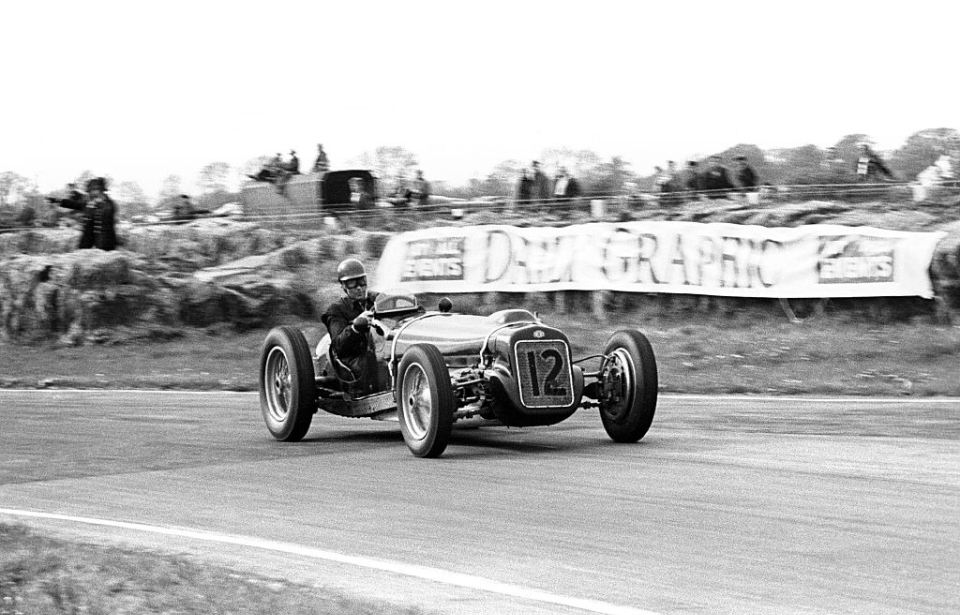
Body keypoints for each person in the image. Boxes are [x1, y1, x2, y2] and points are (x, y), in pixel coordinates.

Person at [321, 258, 380, 389]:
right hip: (355, 357)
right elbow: (338, 346)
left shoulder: (377, 299)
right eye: (352, 284)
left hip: (380, 347)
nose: (359, 288)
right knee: (378, 362)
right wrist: (355, 327)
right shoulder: (336, 310)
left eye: (362, 282)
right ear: (343, 286)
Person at [57, 177, 118, 251]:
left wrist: (98, 205)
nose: (90, 193)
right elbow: (75, 204)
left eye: (94, 190)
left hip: (105, 244)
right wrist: (56, 201)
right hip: (89, 243)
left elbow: (107, 214)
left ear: (101, 191)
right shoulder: (89, 203)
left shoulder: (109, 204)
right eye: (90, 191)